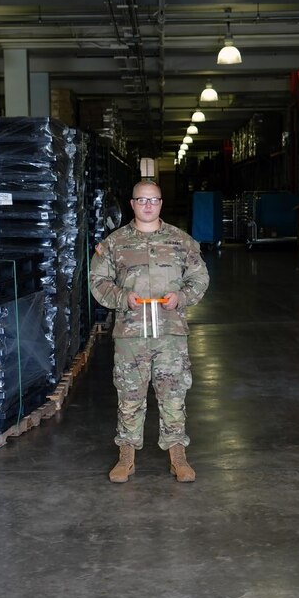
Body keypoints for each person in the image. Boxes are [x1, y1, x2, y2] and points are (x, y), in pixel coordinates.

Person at [89, 180, 210, 483]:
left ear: (160, 203)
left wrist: (180, 298)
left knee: (173, 393)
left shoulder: (181, 241)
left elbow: (199, 278)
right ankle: (126, 455)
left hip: (170, 333)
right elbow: (97, 281)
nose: (147, 206)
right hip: (131, 334)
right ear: (132, 204)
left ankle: (177, 455)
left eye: (153, 200)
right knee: (130, 395)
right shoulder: (114, 244)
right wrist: (121, 298)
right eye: (141, 200)